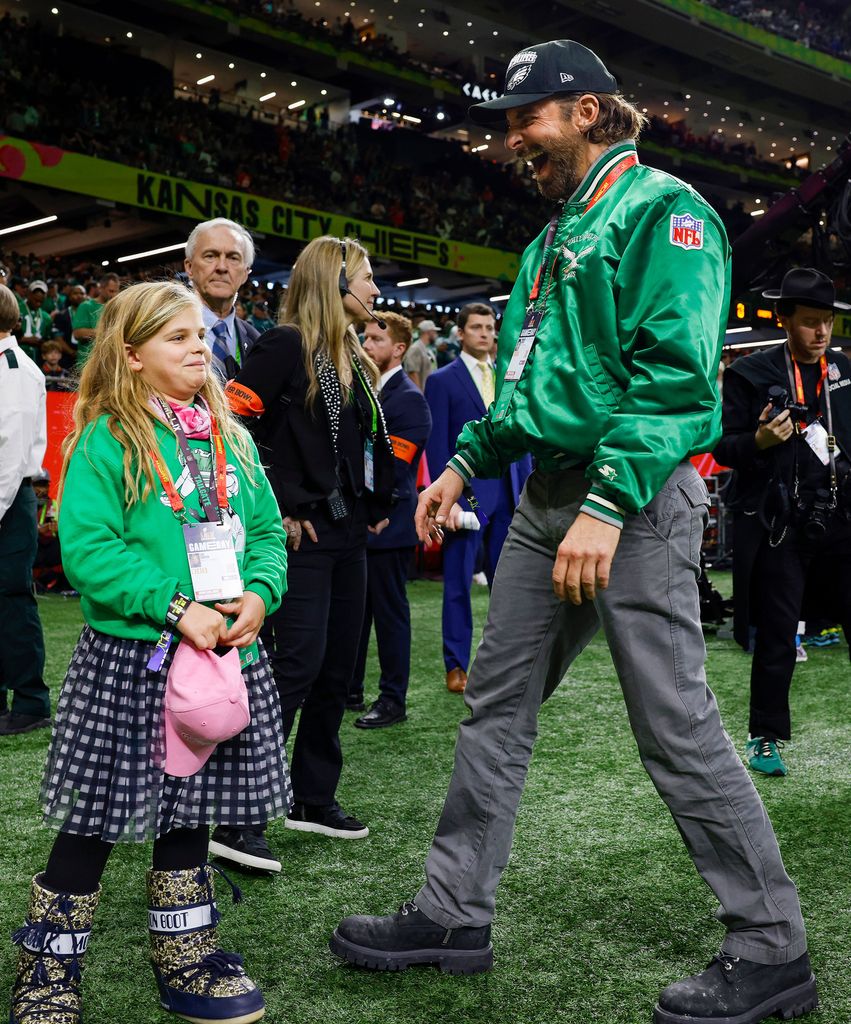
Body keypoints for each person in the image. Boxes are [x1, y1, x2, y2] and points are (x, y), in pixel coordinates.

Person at [329, 40, 817, 1024]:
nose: (513, 142)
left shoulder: (662, 212)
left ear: (587, 112)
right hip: (545, 499)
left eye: (526, 120)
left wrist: (602, 502)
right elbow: (530, 389)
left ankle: (771, 946)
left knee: (673, 725)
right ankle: (451, 912)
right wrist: (465, 458)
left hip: (626, 502)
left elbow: (675, 381)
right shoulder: (546, 241)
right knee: (494, 710)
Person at [8, 281, 289, 1024]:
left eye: (199, 335)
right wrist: (173, 607)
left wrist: (258, 594)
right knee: (95, 820)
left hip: (223, 663)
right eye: (176, 338)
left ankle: (186, 956)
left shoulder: (232, 436)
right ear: (130, 357)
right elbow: (89, 550)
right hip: (136, 663)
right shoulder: (108, 438)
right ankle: (47, 968)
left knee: (191, 814)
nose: (198, 347)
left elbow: (264, 534)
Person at [221, 236, 395, 867]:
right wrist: (283, 506)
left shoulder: (345, 351)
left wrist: (374, 507)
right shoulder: (286, 345)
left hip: (347, 536)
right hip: (306, 536)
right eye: (367, 278)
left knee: (337, 671)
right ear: (335, 282)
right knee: (294, 668)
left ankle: (311, 799)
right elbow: (233, 429)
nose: (376, 290)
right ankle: (238, 815)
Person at [714, 267, 851, 777]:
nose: (821, 334)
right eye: (810, 322)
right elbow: (722, 447)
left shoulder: (843, 370)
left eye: (828, 324)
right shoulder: (751, 373)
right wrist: (759, 442)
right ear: (783, 319)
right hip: (782, 524)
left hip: (841, 519)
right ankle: (764, 736)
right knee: (777, 636)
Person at [424, 303, 531, 694]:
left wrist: (528, 485)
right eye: (477, 327)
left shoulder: (510, 376)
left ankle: (509, 665)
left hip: (510, 491)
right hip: (466, 496)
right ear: (461, 333)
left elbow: (523, 435)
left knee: (512, 584)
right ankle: (456, 665)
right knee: (457, 584)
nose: (485, 333)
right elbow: (438, 447)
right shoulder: (442, 380)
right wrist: (446, 501)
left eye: (490, 327)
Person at [348, 311, 432, 727]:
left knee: (390, 614)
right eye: (364, 337)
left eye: (375, 340)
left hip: (390, 523)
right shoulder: (366, 389)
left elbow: (396, 471)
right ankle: (350, 688)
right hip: (362, 520)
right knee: (357, 612)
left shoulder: (408, 400)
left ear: (399, 349)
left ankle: (393, 700)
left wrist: (374, 511)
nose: (367, 345)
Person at [0, 283, 51, 736]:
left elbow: (10, 456)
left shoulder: (16, 369)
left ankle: (31, 699)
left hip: (8, 500)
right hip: (8, 498)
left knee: (14, 602)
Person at [184, 217, 259, 382]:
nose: (222, 267)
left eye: (233, 258)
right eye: (211, 256)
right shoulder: (164, 329)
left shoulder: (257, 341)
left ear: (246, 273)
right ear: (189, 267)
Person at [71, 272, 120, 367]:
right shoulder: (86, 306)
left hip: (109, 364)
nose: (114, 295)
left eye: (116, 291)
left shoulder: (117, 308)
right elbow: (78, 333)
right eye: (111, 291)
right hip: (88, 364)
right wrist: (108, 332)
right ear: (101, 288)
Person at [16, 279, 57, 363]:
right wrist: (25, 340)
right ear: (29, 294)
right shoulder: (16, 309)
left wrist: (44, 343)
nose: (38, 303)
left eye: (40, 301)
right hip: (18, 356)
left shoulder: (46, 317)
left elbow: (47, 339)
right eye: (36, 299)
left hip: (37, 360)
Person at [403, 318, 437, 391]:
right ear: (428, 332)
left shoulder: (427, 348)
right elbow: (412, 374)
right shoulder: (415, 348)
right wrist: (419, 395)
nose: (436, 334)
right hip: (422, 393)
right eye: (434, 332)